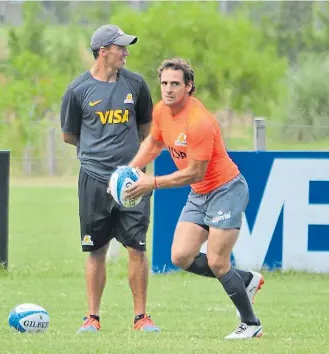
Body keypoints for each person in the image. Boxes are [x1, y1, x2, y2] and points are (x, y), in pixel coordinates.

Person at [124, 57, 264, 339]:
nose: (168, 89)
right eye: (164, 83)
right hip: (200, 195)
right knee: (181, 256)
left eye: (175, 83)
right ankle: (246, 280)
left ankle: (251, 324)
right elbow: (153, 142)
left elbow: (194, 174)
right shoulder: (162, 110)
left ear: (189, 86)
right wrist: (131, 169)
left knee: (217, 261)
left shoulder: (200, 122)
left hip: (226, 190)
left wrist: (150, 182)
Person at [60, 24, 159, 333]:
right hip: (93, 180)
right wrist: (98, 157)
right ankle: (92, 317)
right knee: (95, 249)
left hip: (133, 181)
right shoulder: (78, 91)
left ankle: (141, 317)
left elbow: (147, 130)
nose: (126, 53)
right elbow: (69, 135)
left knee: (137, 248)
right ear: (103, 52)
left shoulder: (137, 85)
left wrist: (136, 168)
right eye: (121, 48)